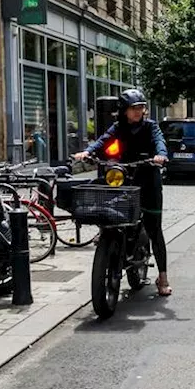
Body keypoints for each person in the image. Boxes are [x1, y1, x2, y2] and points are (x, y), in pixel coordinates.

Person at [73, 89, 173, 297]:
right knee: (110, 210)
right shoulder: (118, 127)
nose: (139, 112)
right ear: (124, 111)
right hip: (125, 178)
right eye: (134, 108)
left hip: (148, 179)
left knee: (154, 228)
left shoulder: (150, 127)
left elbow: (160, 141)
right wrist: (88, 152)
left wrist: (160, 155)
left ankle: (162, 276)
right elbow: (103, 141)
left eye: (141, 108)